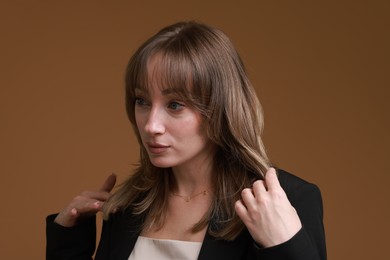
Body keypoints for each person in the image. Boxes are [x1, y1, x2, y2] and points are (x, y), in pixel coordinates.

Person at [46, 21, 326, 260]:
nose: (151, 125)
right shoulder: (129, 204)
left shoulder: (285, 201)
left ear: (219, 108)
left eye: (175, 105)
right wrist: (68, 240)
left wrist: (287, 248)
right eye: (142, 101)